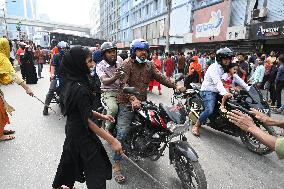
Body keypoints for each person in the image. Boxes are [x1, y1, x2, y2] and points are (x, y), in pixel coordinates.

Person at [112, 39, 185, 183]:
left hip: (142, 101)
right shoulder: (126, 64)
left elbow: (161, 77)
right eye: (140, 50)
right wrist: (132, 99)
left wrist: (176, 86)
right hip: (126, 102)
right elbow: (122, 83)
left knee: (158, 124)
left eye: (145, 50)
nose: (143, 52)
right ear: (134, 51)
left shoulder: (149, 65)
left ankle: (148, 147)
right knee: (122, 132)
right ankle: (116, 165)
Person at [52, 46, 123, 189]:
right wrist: (112, 140)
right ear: (78, 63)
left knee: (69, 160)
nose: (93, 64)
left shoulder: (71, 81)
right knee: (97, 167)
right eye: (89, 61)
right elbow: (87, 120)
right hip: (81, 133)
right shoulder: (79, 88)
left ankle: (59, 186)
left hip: (73, 130)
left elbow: (82, 110)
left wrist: (102, 116)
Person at [191, 47, 234, 136]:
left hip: (219, 90)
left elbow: (234, 77)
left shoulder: (224, 67)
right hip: (208, 90)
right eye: (225, 59)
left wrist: (247, 87)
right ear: (220, 59)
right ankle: (196, 125)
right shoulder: (214, 67)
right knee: (209, 110)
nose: (228, 61)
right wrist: (225, 93)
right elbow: (217, 82)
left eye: (229, 59)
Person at [0, 38, 34, 141]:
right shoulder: (1, 58)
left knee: (1, 107)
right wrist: (27, 88)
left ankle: (1, 130)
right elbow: (13, 75)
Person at [96, 42, 123, 132]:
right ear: (104, 55)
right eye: (109, 52)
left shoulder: (119, 60)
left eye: (114, 51)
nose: (113, 54)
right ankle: (107, 130)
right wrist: (115, 77)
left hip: (121, 90)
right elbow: (104, 81)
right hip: (108, 92)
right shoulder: (100, 66)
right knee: (113, 108)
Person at [43, 41, 67, 115]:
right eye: (63, 48)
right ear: (59, 49)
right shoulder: (56, 56)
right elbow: (53, 65)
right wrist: (52, 74)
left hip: (66, 77)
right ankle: (46, 107)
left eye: (66, 49)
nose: (65, 50)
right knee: (51, 90)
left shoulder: (69, 56)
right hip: (57, 77)